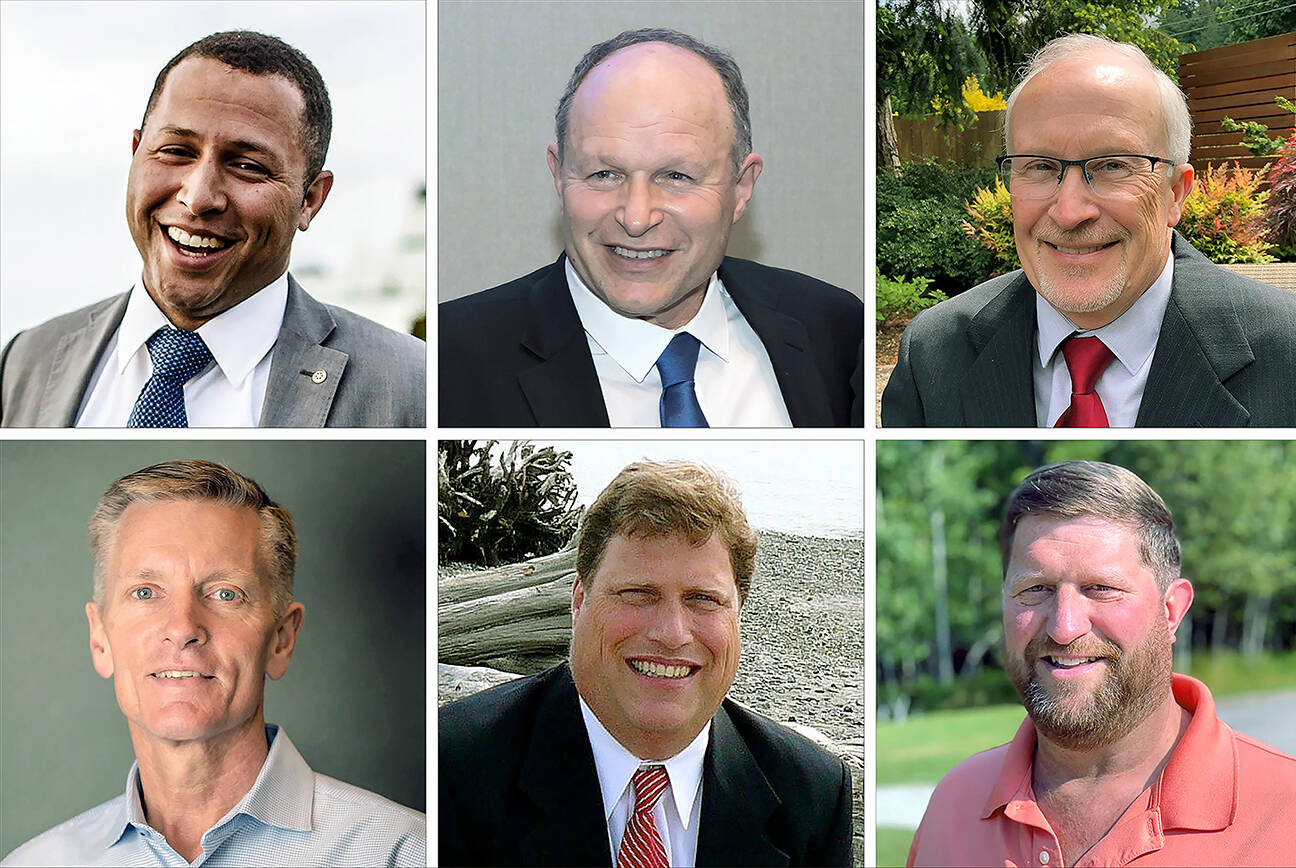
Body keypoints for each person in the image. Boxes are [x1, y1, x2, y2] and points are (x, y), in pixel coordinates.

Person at [1, 460, 425, 867]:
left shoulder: (406, 854)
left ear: (282, 638)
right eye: (146, 592)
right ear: (100, 638)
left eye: (225, 593)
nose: (183, 627)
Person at [438, 28, 863, 428]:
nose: (636, 217)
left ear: (741, 187)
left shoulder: (835, 329)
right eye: (604, 174)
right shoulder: (446, 364)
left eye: (676, 176)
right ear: (559, 176)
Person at [0, 31, 424, 428]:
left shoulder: (412, 385)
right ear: (135, 154)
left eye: (247, 166)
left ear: (310, 199)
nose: (198, 196)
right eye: (176, 151)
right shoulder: (28, 360)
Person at [439, 460, 853, 866]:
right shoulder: (450, 769)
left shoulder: (811, 796)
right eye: (639, 593)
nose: (672, 633)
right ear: (579, 602)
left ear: (738, 615)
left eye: (702, 599)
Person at [881, 34, 1296, 427]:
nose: (1069, 212)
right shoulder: (933, 353)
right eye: (1040, 166)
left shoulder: (1291, 352)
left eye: (1112, 165)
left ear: (1175, 193)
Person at [908, 460, 1296, 867]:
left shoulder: (1291, 814)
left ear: (1172, 611)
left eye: (1101, 589)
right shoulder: (954, 803)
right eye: (1035, 589)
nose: (1064, 628)